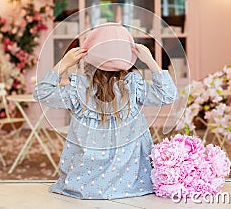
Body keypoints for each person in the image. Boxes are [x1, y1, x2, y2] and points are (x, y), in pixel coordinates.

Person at [34, 22, 177, 199]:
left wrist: (63, 64)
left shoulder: (78, 90)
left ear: (88, 59)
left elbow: (41, 93)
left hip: (84, 183)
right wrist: (150, 60)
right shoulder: (133, 87)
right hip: (131, 182)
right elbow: (168, 95)